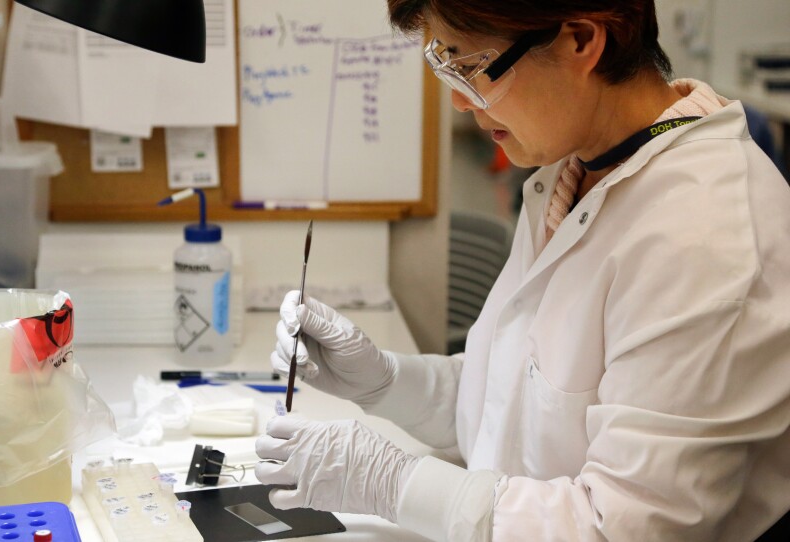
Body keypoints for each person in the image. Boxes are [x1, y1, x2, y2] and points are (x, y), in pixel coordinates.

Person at [254, 1, 790, 540]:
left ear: (581, 39)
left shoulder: (704, 236)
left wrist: (392, 484)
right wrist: (387, 383)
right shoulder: (576, 164)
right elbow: (518, 405)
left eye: (470, 67)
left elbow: (622, 527)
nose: (461, 102)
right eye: (445, 66)